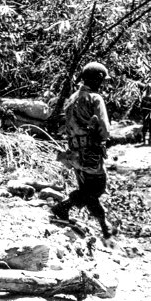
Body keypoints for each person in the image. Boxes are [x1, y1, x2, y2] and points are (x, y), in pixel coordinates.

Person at [52, 62, 115, 238]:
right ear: (98, 79)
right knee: (97, 189)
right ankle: (62, 207)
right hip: (90, 151)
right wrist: (103, 140)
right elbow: (104, 128)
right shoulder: (95, 98)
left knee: (87, 191)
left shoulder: (71, 98)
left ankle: (104, 228)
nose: (103, 84)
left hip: (74, 152)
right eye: (102, 81)